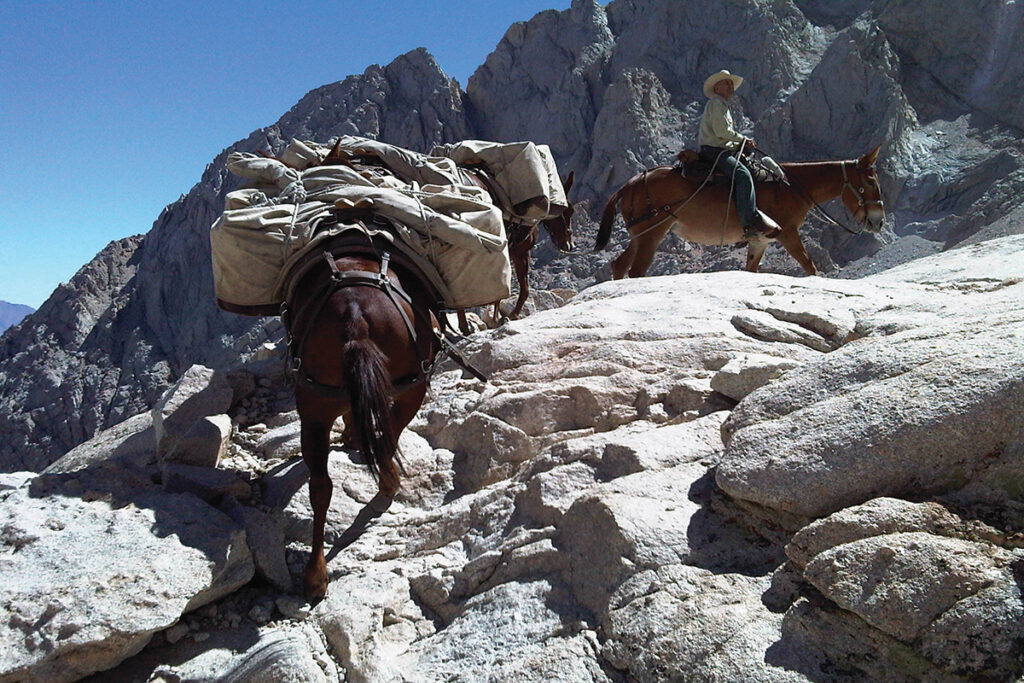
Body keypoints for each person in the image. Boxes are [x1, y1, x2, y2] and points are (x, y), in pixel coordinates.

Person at [697, 69, 779, 239]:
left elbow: (724, 134)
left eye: (731, 83)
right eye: (726, 83)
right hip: (715, 151)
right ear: (716, 87)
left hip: (720, 149)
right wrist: (743, 139)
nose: (731, 86)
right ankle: (748, 223)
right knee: (743, 175)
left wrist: (740, 143)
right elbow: (722, 131)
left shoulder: (722, 105)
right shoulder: (716, 103)